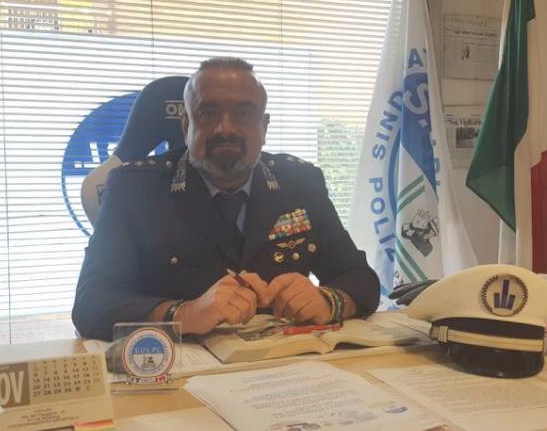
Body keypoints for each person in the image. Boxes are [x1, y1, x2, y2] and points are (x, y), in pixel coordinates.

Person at [72, 57, 380, 340]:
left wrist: (328, 301)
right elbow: (92, 304)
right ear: (186, 125)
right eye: (208, 113)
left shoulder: (300, 183)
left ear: (263, 127)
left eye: (244, 114)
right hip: (183, 369)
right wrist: (184, 314)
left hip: (284, 362)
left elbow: (360, 277)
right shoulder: (135, 188)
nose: (225, 128)